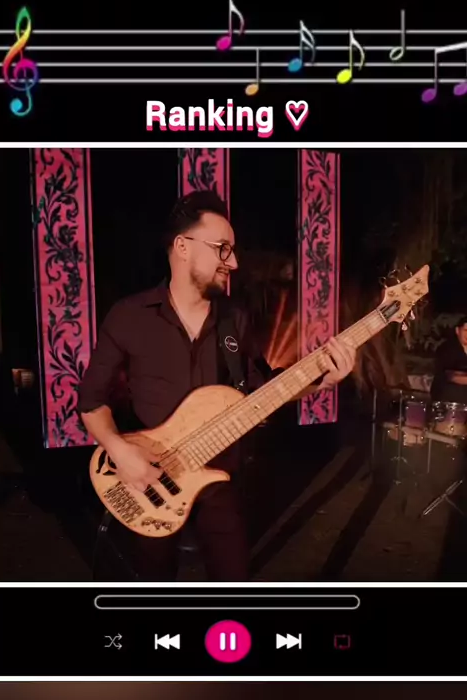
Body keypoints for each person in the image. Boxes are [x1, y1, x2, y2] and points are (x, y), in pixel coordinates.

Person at [77, 191, 356, 581]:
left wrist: (321, 381)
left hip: (219, 476)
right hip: (148, 478)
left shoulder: (233, 319)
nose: (234, 262)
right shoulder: (129, 316)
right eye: (223, 249)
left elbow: (264, 392)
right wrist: (119, 450)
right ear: (183, 247)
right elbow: (90, 401)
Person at [431, 316, 467, 404]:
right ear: (457, 331)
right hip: (447, 398)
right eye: (466, 330)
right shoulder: (446, 349)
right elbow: (452, 376)